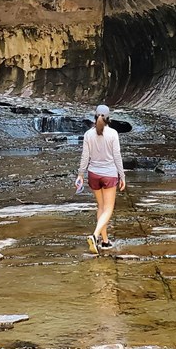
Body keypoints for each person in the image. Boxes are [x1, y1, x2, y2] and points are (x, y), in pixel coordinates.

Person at [76, 104, 126, 254]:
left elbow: (85, 157)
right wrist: (122, 175)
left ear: (95, 116)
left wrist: (80, 174)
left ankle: (104, 242)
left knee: (101, 207)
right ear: (108, 118)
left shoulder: (88, 135)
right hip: (109, 174)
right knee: (108, 208)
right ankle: (95, 235)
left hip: (93, 175)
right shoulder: (113, 134)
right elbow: (117, 156)